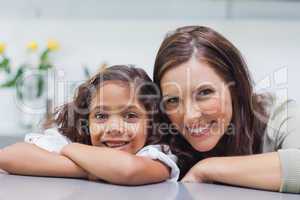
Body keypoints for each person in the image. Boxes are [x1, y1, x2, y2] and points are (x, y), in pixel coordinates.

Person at [153, 26, 300, 193]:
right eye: (173, 100)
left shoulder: (277, 114)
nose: (190, 116)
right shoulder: (163, 137)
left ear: (235, 87)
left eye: (204, 93)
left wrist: (207, 168)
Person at [0, 65, 179, 185]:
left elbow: (128, 170)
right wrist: (96, 170)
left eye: (130, 116)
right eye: (101, 116)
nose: (114, 127)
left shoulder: (158, 153)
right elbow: (8, 156)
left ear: (152, 122)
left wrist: (71, 151)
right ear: (86, 122)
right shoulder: (76, 141)